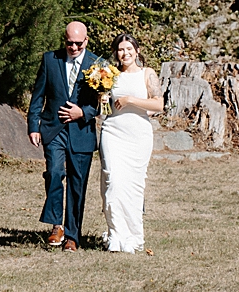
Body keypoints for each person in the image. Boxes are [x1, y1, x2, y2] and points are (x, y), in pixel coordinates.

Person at [28, 21, 105, 251]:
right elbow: (38, 95)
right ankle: (56, 225)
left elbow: (103, 104)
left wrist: (83, 112)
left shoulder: (98, 65)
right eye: (69, 42)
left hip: (81, 132)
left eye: (77, 44)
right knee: (54, 173)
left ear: (86, 40)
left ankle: (72, 236)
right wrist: (33, 125)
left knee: (76, 184)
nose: (72, 47)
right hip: (53, 129)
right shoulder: (50, 60)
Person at [99, 33, 163, 253]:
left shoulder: (148, 74)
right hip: (113, 131)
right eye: (120, 49)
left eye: (128, 49)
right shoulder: (109, 74)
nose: (124, 53)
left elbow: (158, 104)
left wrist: (130, 100)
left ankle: (134, 236)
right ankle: (115, 233)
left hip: (138, 134)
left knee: (134, 185)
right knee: (113, 180)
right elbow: (104, 109)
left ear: (136, 50)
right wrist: (102, 100)